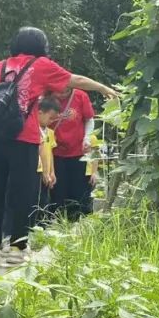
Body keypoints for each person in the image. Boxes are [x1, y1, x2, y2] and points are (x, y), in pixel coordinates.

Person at [0, 27, 117, 266]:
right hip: (23, 138)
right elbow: (76, 80)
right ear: (41, 46)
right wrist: (104, 88)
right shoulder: (41, 64)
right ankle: (16, 247)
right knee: (23, 192)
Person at [51, 88, 98, 220]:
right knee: (57, 190)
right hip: (54, 152)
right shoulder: (47, 95)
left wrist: (87, 137)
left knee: (79, 190)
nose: (61, 95)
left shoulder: (80, 96)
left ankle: (78, 221)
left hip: (79, 152)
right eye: (58, 92)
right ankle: (56, 221)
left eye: (64, 92)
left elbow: (89, 119)